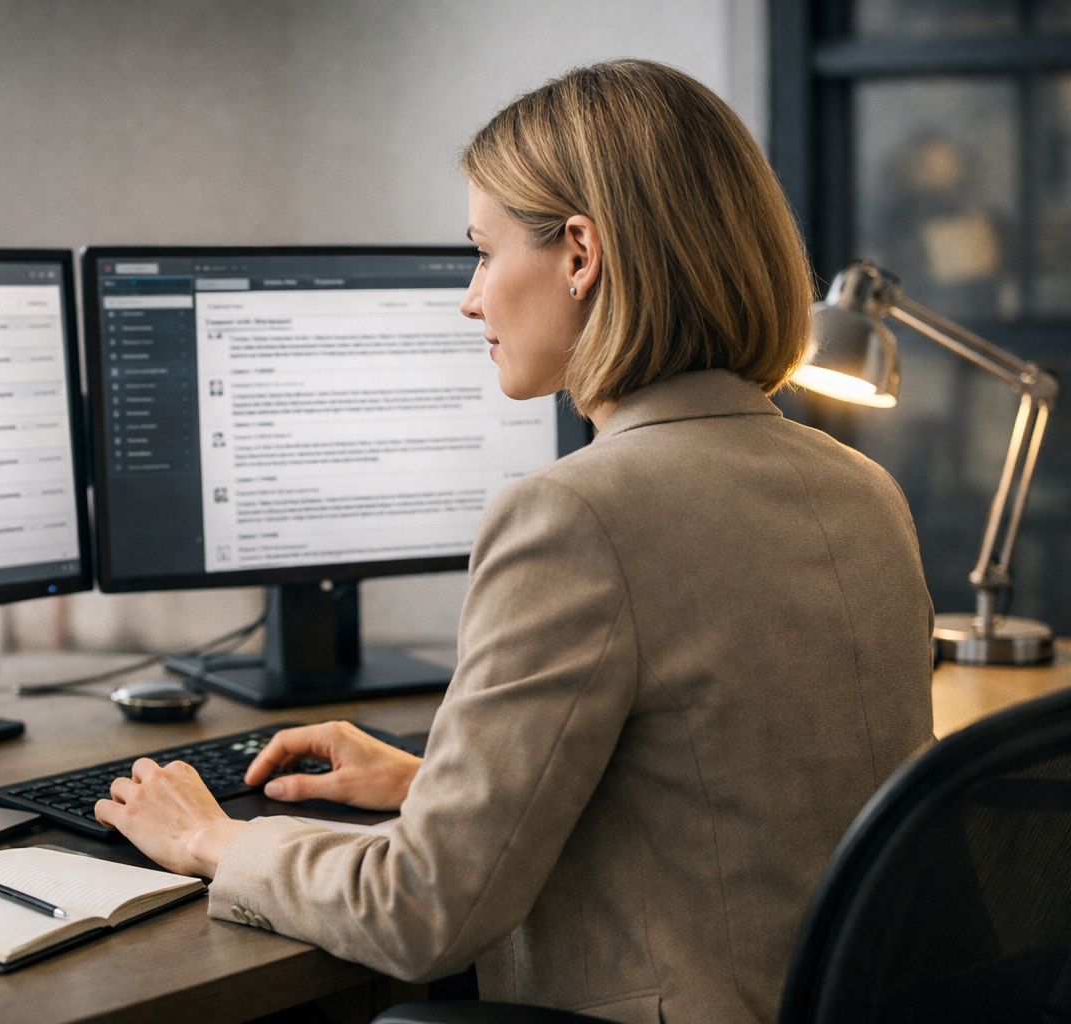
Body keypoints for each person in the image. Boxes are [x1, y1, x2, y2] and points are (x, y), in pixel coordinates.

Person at [95, 59, 934, 1024]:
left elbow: (422, 914)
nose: (469, 298)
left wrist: (211, 842)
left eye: (484, 254)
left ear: (580, 253)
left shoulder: (577, 514)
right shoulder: (864, 491)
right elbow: (740, 799)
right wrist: (433, 785)